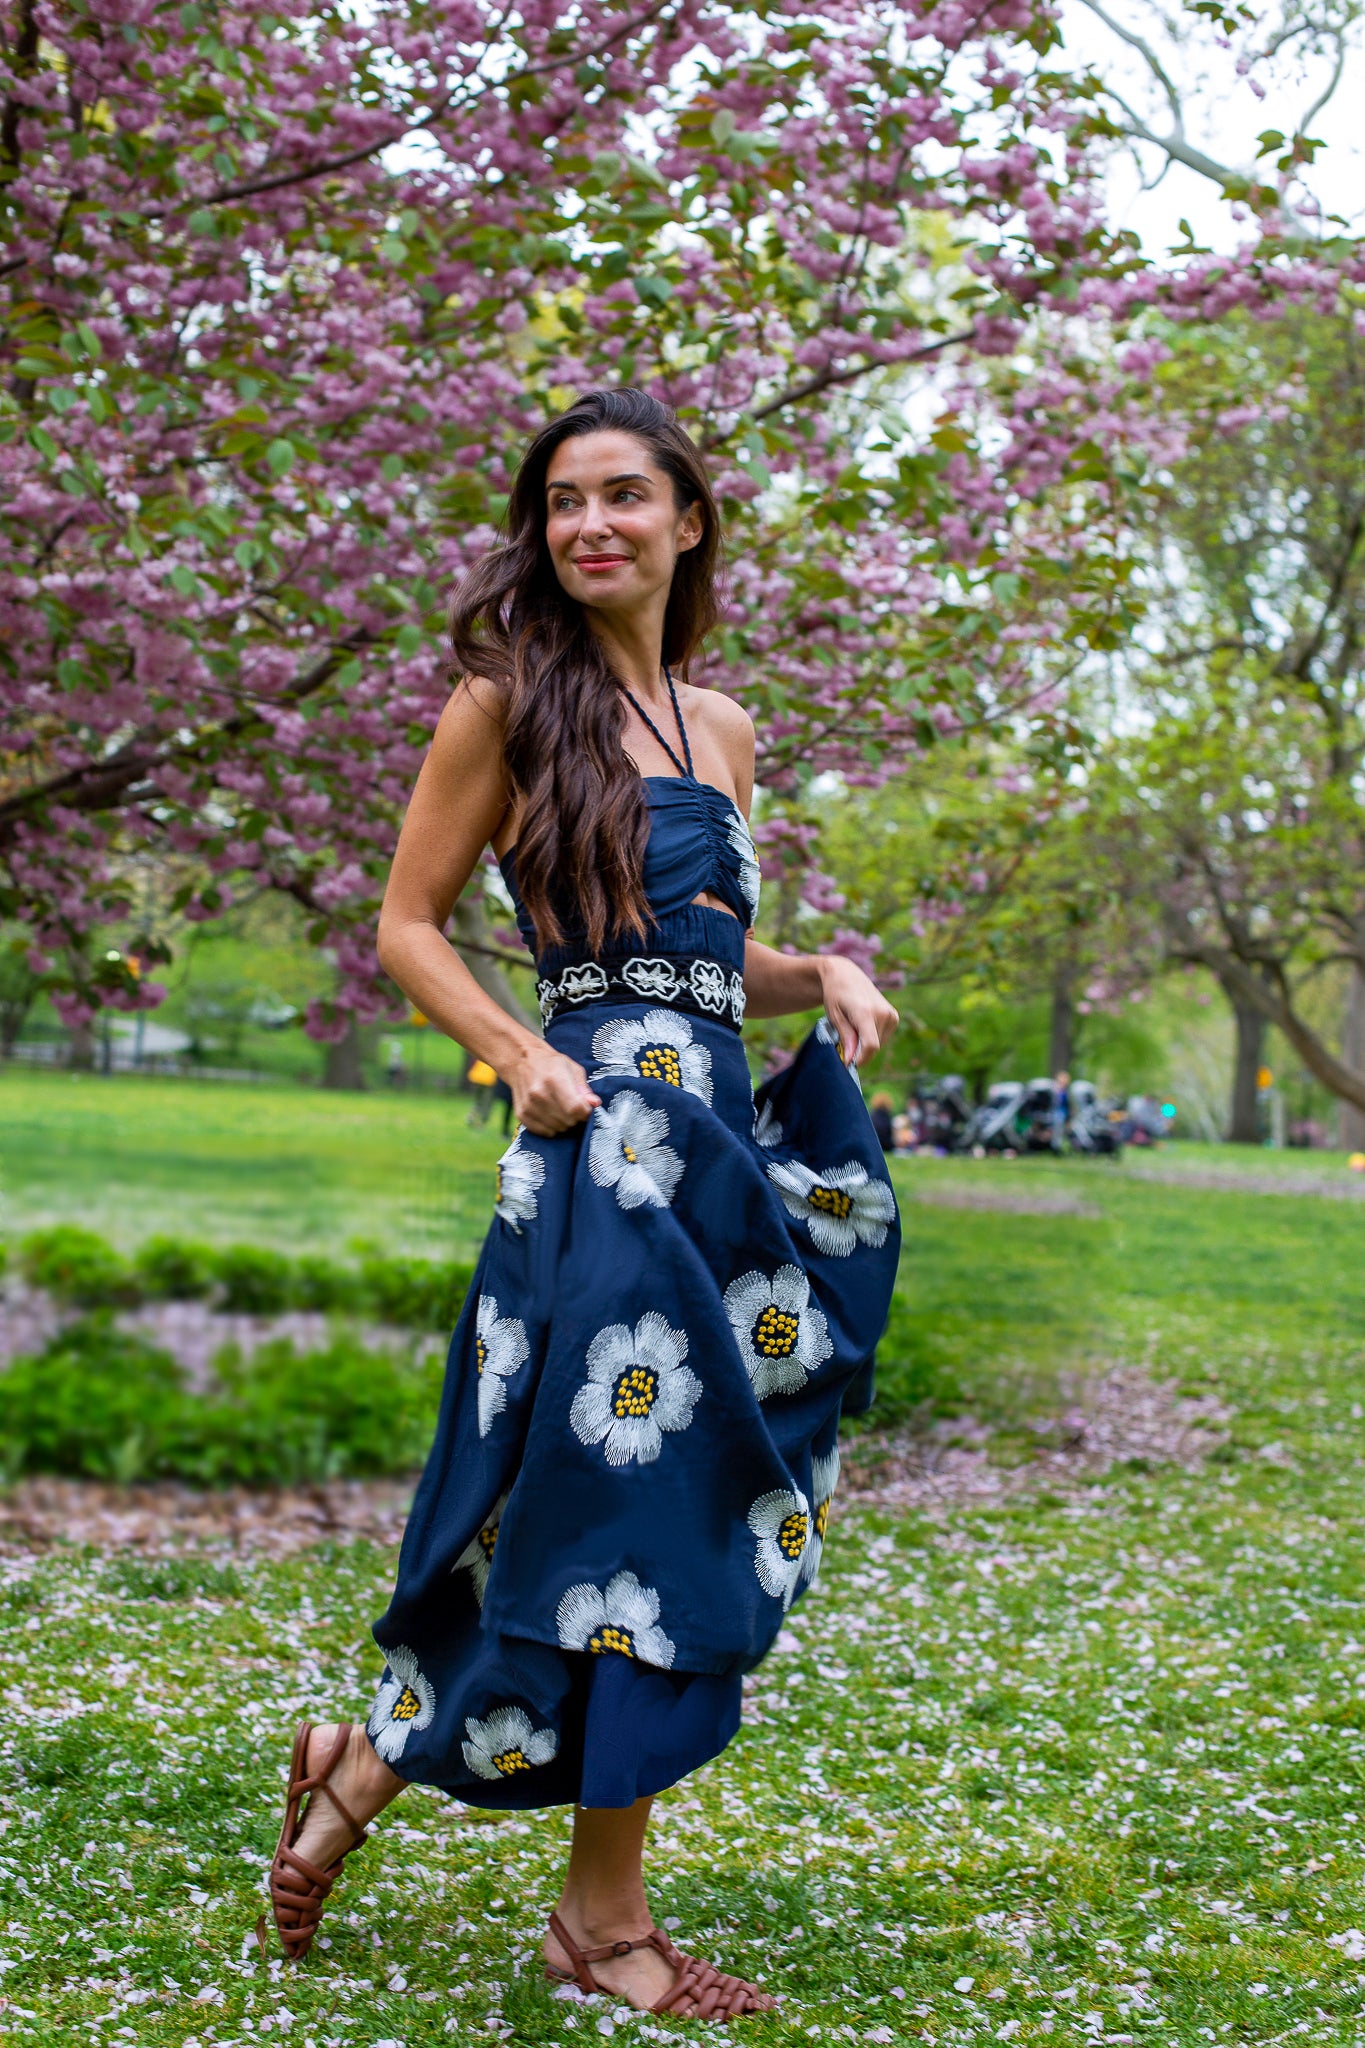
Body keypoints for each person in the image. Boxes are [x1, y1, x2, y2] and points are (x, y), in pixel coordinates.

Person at [258, 388, 901, 2018]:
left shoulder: (724, 726)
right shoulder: (500, 704)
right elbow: (406, 924)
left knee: (646, 1500)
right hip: (592, 1149)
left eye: (624, 496)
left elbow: (700, 964)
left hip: (708, 1159)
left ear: (689, 521)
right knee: (631, 1503)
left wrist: (814, 966)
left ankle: (367, 1766)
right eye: (562, 502)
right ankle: (598, 1926)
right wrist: (513, 1050)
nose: (590, 524)